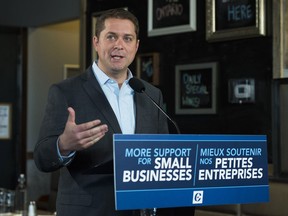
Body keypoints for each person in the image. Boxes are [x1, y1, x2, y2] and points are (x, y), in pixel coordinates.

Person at [34, 8, 191, 216]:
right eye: (111, 37)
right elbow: (41, 158)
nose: (119, 45)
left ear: (136, 46)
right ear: (96, 42)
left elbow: (161, 154)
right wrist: (63, 145)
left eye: (127, 38)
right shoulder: (65, 91)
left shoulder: (150, 94)